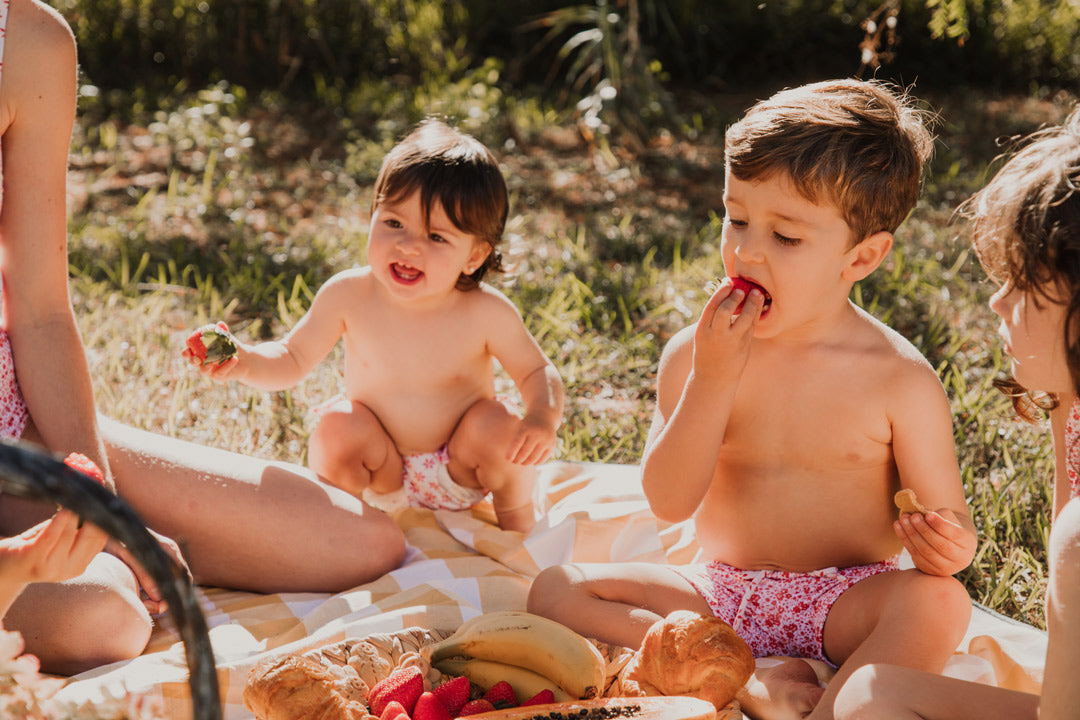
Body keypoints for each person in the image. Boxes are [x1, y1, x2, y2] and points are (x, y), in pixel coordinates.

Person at [527, 78, 978, 720]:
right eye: (736, 218)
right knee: (555, 587)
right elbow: (668, 500)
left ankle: (835, 706)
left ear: (863, 256)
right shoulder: (696, 352)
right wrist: (712, 378)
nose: (745, 250)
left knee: (939, 602)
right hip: (718, 592)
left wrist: (948, 544)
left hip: (843, 598)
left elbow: (950, 520)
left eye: (786, 237)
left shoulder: (898, 377)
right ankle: (750, 678)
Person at [0, 0, 405, 675]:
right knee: (105, 615)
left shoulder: (29, 40)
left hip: (17, 429)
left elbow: (39, 311)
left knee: (354, 539)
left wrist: (101, 503)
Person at [184, 118, 564, 533]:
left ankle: (520, 530)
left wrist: (542, 416)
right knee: (337, 428)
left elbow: (536, 371)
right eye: (394, 223)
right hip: (381, 470)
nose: (409, 246)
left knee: (497, 428)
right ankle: (340, 527)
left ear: (474, 256)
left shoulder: (485, 312)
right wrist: (246, 361)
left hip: (459, 468)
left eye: (436, 238)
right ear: (373, 216)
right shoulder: (349, 294)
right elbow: (292, 358)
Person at [832, 107, 1080, 720]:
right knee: (869, 695)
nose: (996, 299)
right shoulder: (1069, 406)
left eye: (1025, 284)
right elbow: (1061, 597)